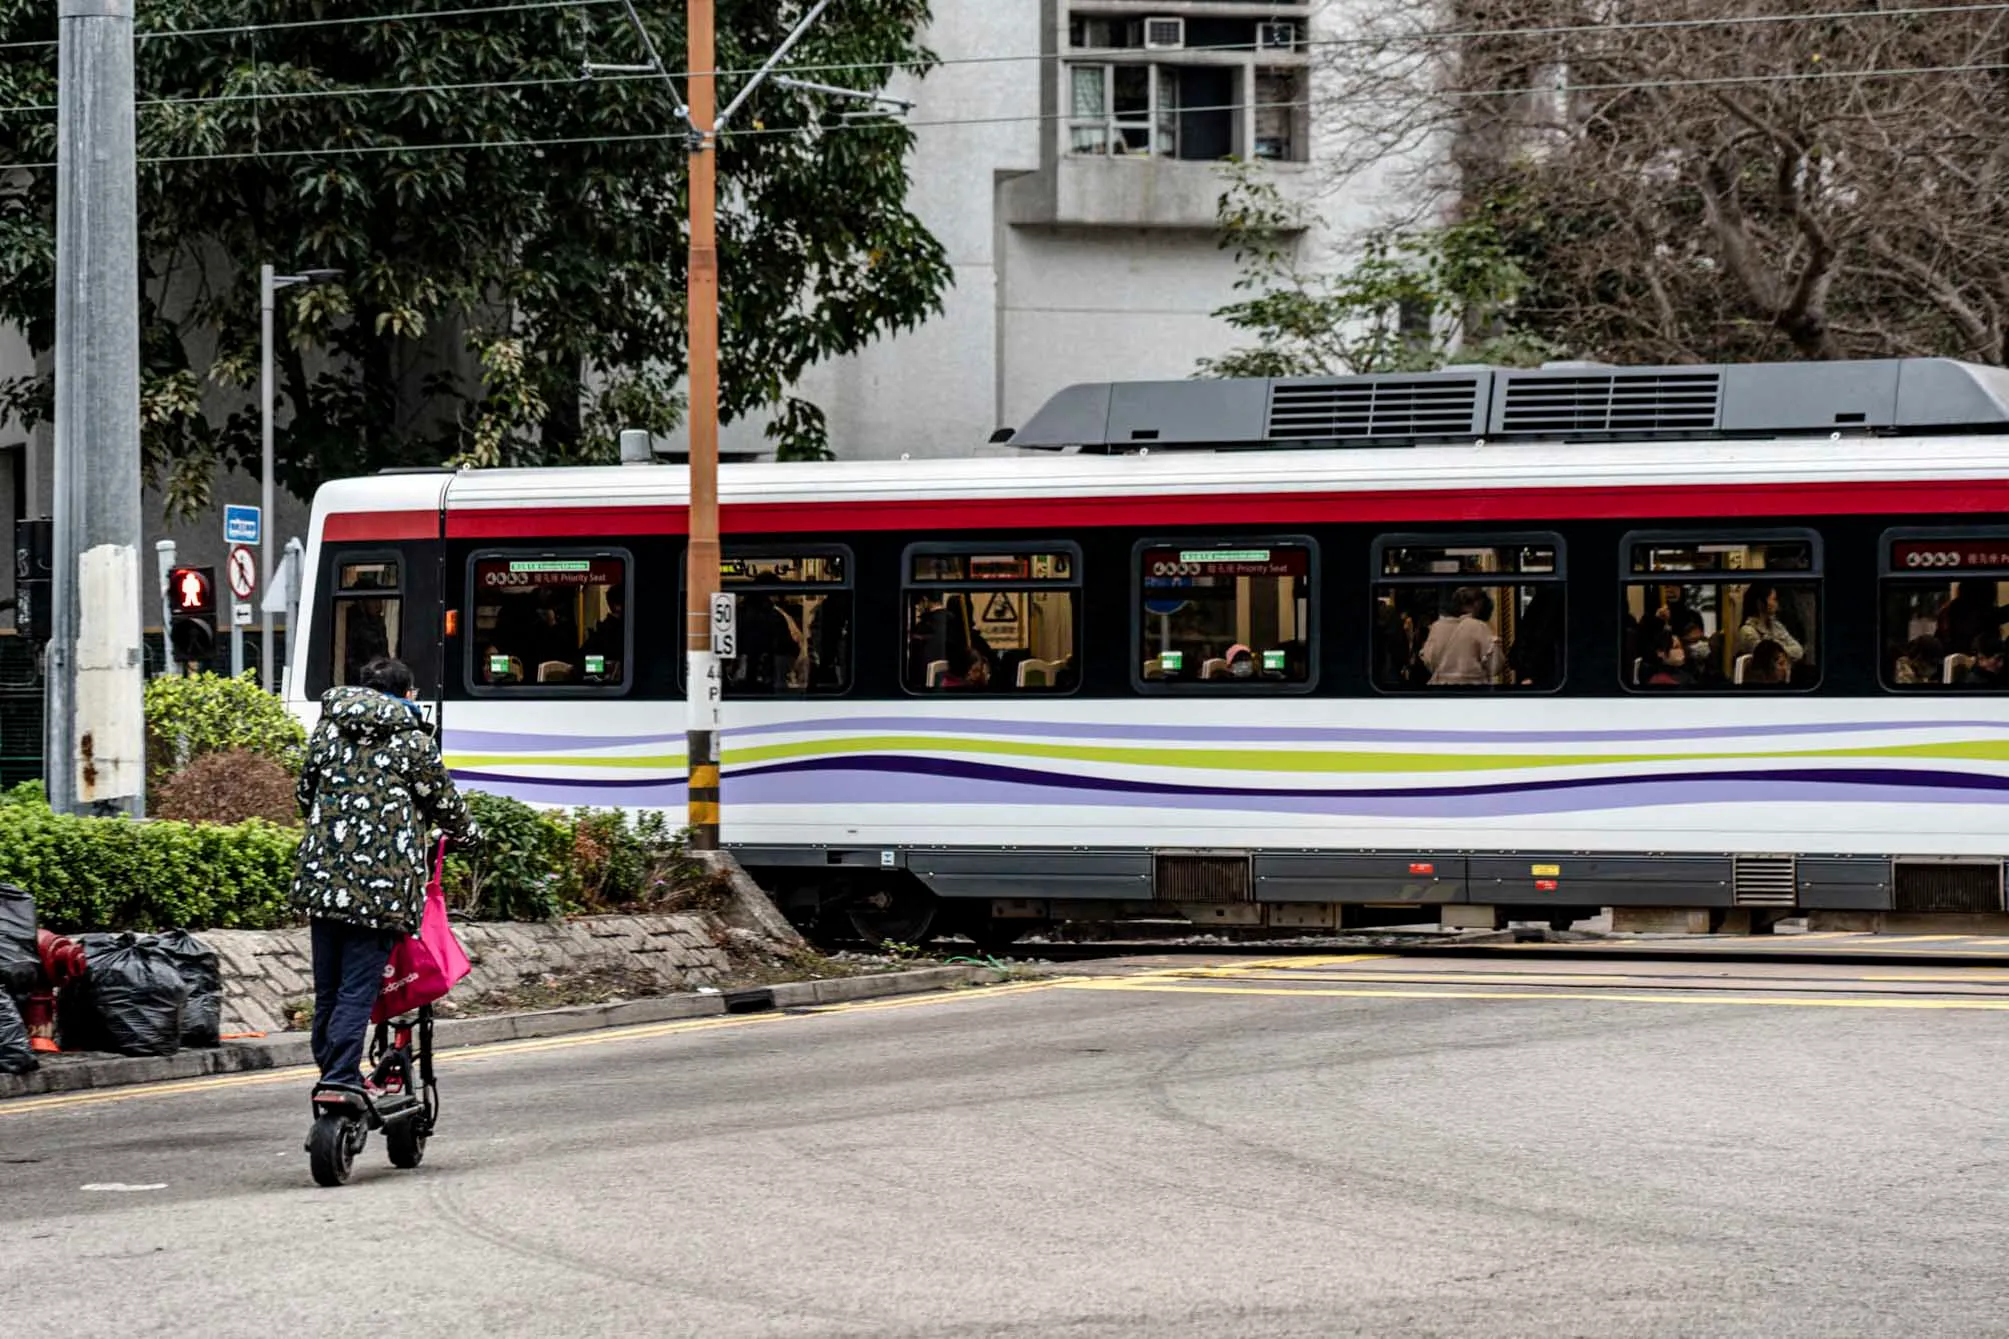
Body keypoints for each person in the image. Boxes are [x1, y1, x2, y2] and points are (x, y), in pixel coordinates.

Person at [292, 657, 476, 1101]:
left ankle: (331, 1075)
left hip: (322, 883)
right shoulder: (413, 742)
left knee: (329, 990)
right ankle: (340, 1078)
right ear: (407, 694)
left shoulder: (327, 732)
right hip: (381, 891)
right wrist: (467, 834)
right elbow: (445, 804)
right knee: (358, 989)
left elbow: (304, 795)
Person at [1420, 586, 1501, 686]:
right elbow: (1495, 665)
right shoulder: (1479, 626)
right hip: (1473, 691)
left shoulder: (1437, 627)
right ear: (1478, 605)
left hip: (1441, 690)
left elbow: (1429, 661)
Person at [1737, 581, 1804, 663]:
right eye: (1774, 599)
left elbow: (1798, 651)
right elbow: (1768, 657)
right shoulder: (1748, 631)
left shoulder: (1776, 625)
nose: (1777, 604)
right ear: (1760, 603)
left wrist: (1779, 649)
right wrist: (1782, 647)